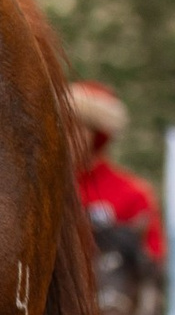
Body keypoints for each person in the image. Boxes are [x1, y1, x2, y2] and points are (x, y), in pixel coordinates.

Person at [69, 84, 163, 261]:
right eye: (62, 125)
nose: (66, 135)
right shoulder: (41, 187)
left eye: (77, 128)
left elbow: (150, 261)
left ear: (98, 135)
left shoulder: (132, 194)